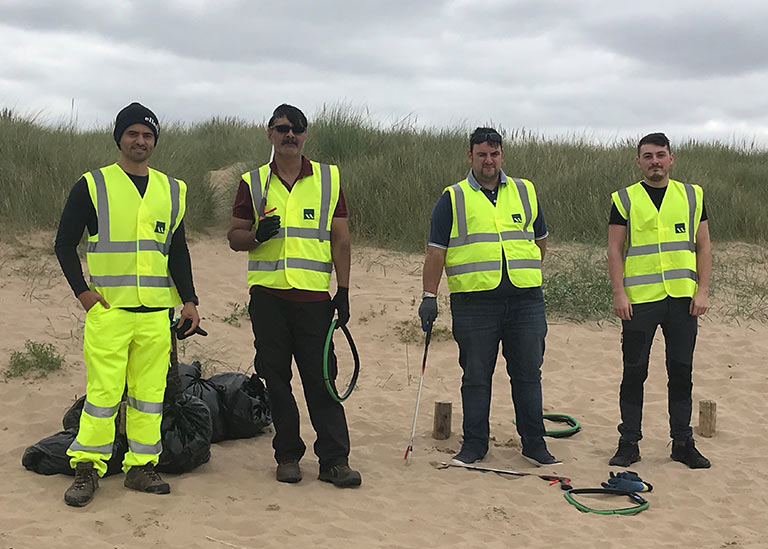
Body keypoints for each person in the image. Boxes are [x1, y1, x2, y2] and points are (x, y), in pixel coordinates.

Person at [54, 102, 201, 506]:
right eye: (133, 133)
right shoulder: (94, 184)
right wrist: (83, 293)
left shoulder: (172, 190)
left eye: (148, 135)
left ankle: (141, 467)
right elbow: (64, 243)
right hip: (110, 312)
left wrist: (189, 300)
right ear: (119, 137)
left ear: (155, 141)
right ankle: (87, 468)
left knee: (149, 395)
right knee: (103, 394)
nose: (141, 141)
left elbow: (178, 251)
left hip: (156, 315)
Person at [227, 104, 361, 488]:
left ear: (306, 134)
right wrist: (256, 236)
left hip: (314, 301)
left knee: (322, 380)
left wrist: (345, 291)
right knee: (277, 381)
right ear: (269, 133)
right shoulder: (252, 183)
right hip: (268, 300)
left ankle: (335, 460)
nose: (291, 134)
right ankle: (287, 456)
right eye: (283, 128)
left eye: (297, 129)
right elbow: (235, 236)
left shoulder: (328, 179)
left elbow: (341, 238)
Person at [418, 127, 559, 467]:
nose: (489, 160)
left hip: (525, 302)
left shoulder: (525, 191)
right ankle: (475, 444)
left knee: (528, 374)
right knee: (476, 376)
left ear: (502, 155)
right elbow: (436, 252)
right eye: (481, 154)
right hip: (475, 304)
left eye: (494, 154)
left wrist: (523, 273)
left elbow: (540, 241)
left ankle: (534, 444)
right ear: (470, 156)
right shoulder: (452, 198)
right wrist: (429, 295)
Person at [607, 132, 711, 469]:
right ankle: (629, 442)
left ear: (671, 158)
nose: (655, 162)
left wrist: (703, 290)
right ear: (638, 161)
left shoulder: (692, 196)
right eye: (648, 156)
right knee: (634, 372)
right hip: (639, 301)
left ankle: (682, 442)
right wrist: (619, 292)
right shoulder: (624, 199)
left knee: (681, 372)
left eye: (660, 155)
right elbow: (614, 248)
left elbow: (704, 246)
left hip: (683, 300)